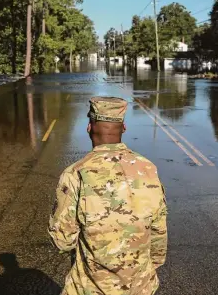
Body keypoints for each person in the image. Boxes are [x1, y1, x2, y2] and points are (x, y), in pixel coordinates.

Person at [48, 96, 167, 295]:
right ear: (124, 128)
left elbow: (62, 240)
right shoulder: (148, 169)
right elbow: (158, 234)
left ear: (89, 128)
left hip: (91, 288)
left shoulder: (76, 174)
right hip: (139, 288)